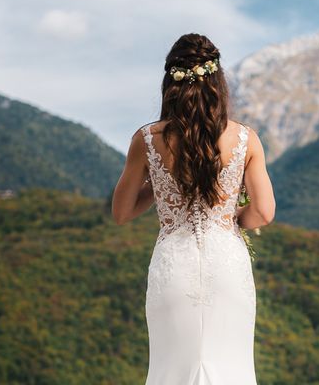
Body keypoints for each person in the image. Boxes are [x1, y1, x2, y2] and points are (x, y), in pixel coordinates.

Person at [111, 33, 276, 384]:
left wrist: (160, 184)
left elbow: (122, 212)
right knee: (231, 368)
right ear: (218, 82)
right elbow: (263, 212)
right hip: (227, 264)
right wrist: (231, 219)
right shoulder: (246, 139)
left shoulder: (146, 140)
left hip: (174, 265)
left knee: (172, 369)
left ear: (169, 81)